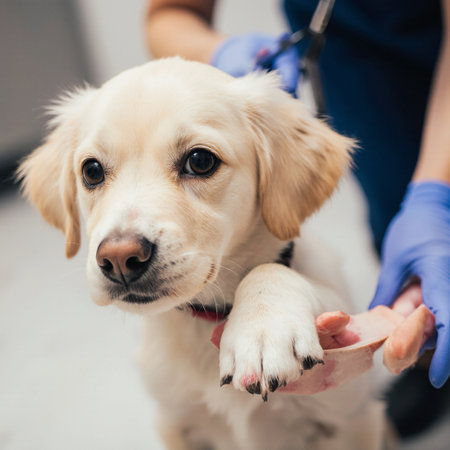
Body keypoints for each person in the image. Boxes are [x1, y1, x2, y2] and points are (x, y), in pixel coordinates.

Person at [145, 0, 450, 432]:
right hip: (355, 61)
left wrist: (437, 192)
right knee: (399, 214)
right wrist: (216, 51)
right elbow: (170, 11)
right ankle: (426, 368)